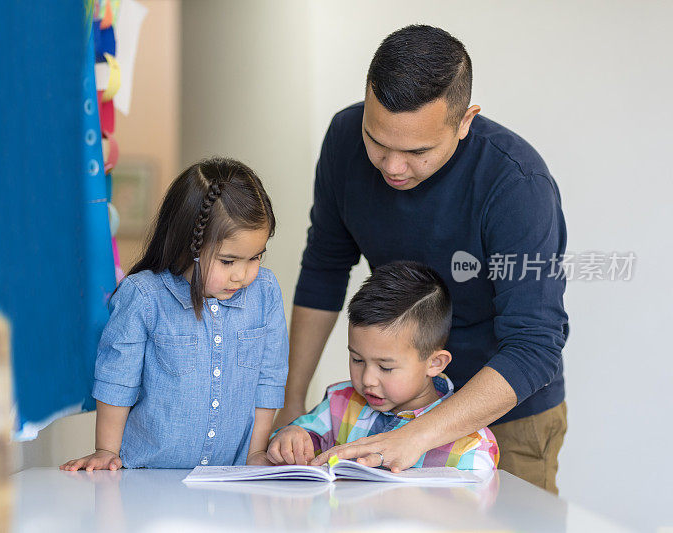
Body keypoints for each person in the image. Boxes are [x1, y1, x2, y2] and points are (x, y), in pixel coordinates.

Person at [275, 25, 568, 492]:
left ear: (465, 121)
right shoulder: (344, 140)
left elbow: (535, 346)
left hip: (506, 415)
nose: (392, 166)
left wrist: (416, 437)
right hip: (384, 411)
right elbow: (323, 272)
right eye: (378, 141)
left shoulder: (516, 185)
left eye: (417, 151)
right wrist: (290, 401)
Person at [61, 157, 288, 471]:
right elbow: (117, 379)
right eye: (227, 261)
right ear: (188, 246)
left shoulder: (265, 292)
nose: (242, 275)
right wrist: (105, 450)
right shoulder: (143, 296)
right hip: (146, 480)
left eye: (255, 258)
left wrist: (255, 454)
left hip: (231, 480)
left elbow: (269, 380)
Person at [268, 261, 498, 470]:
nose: (367, 379)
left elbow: (473, 509)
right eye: (357, 360)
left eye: (385, 367)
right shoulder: (340, 403)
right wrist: (289, 437)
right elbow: (299, 438)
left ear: (435, 363)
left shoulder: (471, 446)